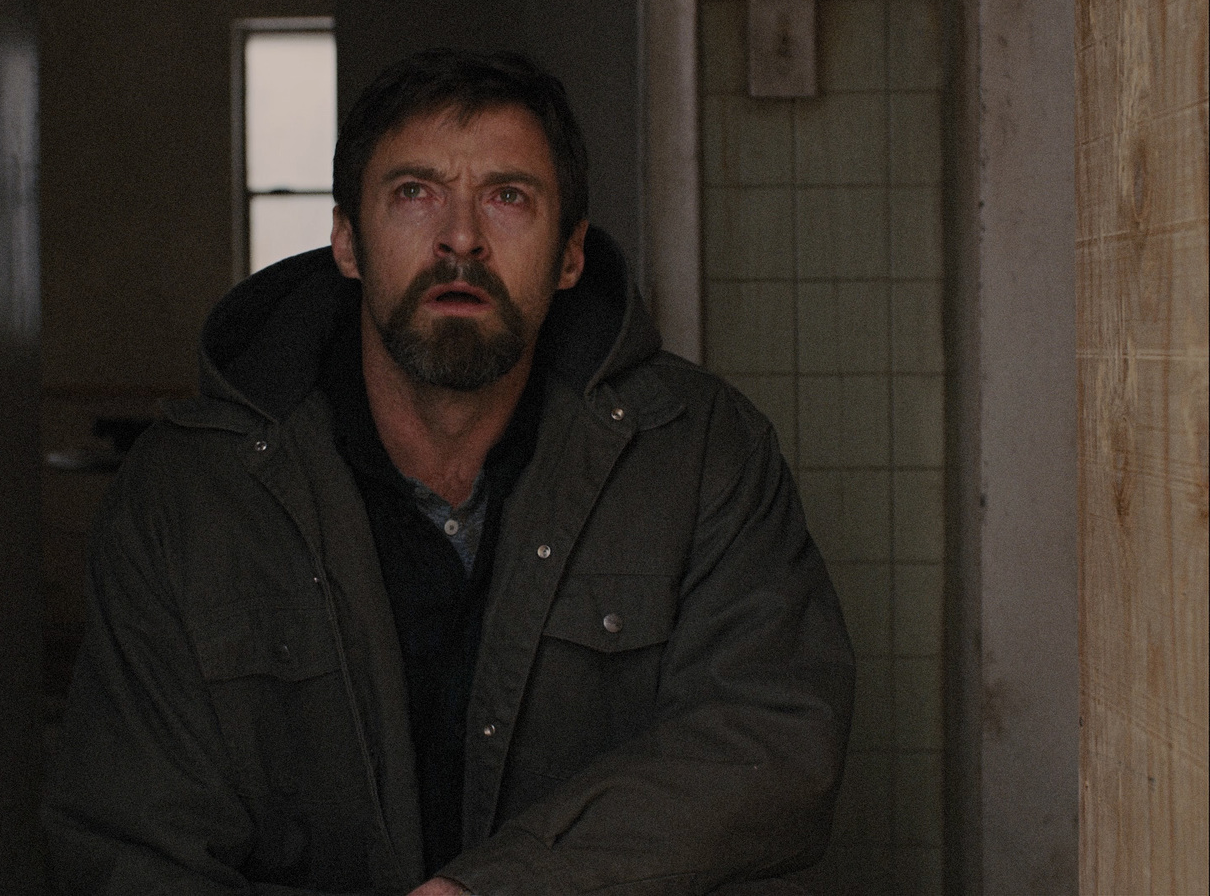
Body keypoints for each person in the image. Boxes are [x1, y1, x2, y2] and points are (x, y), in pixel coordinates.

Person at [44, 49, 855, 895]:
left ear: (571, 254)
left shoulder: (699, 454)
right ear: (347, 242)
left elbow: (773, 740)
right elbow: (129, 849)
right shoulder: (188, 493)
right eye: (415, 192)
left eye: (508, 197)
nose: (461, 237)